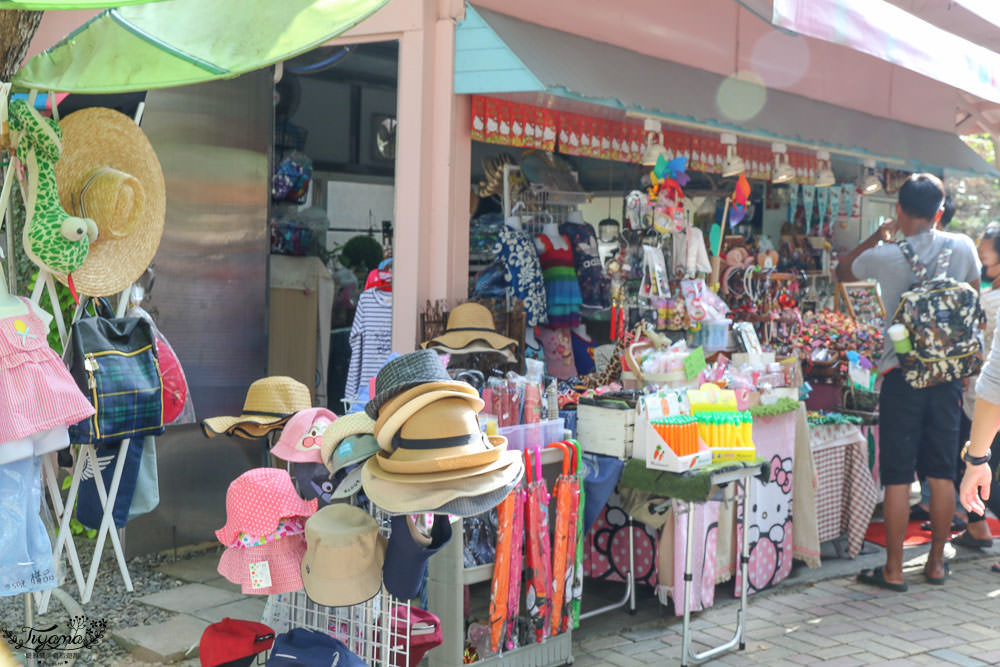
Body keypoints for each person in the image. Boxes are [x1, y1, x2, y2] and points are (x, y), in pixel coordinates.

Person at [837, 173, 980, 591]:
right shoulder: (964, 246)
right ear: (939, 212)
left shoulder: (884, 255)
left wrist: (876, 238)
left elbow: (844, 271)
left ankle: (894, 569)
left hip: (901, 374)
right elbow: (970, 299)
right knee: (941, 472)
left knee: (898, 477)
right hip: (948, 376)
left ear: (898, 210)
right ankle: (935, 563)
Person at [953, 223, 1000, 557]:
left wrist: (976, 458)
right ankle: (977, 525)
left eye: (986, 252)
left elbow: (995, 381)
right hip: (984, 403)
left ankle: (978, 524)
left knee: (988, 472)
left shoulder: (994, 300)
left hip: (985, 406)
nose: (982, 258)